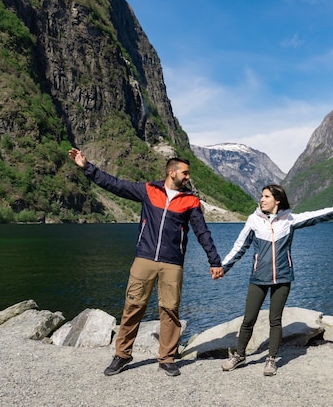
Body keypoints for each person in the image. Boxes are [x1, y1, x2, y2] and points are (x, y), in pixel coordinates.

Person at [68, 148, 224, 377]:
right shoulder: (148, 190)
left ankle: (167, 358)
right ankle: (122, 355)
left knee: (170, 310)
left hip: (172, 263)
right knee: (133, 307)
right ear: (172, 172)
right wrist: (86, 167)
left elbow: (203, 232)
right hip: (144, 259)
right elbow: (114, 184)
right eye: (185, 173)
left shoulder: (191, 201)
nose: (188, 176)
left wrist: (214, 260)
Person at [220, 184, 333, 376]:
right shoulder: (254, 220)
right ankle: (239, 356)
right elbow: (239, 246)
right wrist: (223, 267)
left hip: (283, 277)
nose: (261, 199)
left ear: (277, 200)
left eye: (266, 196)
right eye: (261, 196)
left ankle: (271, 359)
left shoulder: (289, 220)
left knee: (275, 320)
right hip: (259, 277)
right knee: (248, 319)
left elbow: (318, 215)